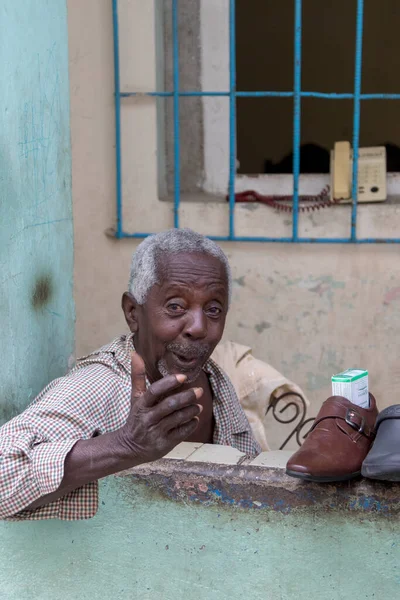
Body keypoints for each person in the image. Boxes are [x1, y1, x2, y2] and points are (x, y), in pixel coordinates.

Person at [0, 229, 261, 521]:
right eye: (175, 307)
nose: (198, 327)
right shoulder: (99, 385)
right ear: (133, 313)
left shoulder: (214, 380)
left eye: (213, 309)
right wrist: (126, 445)